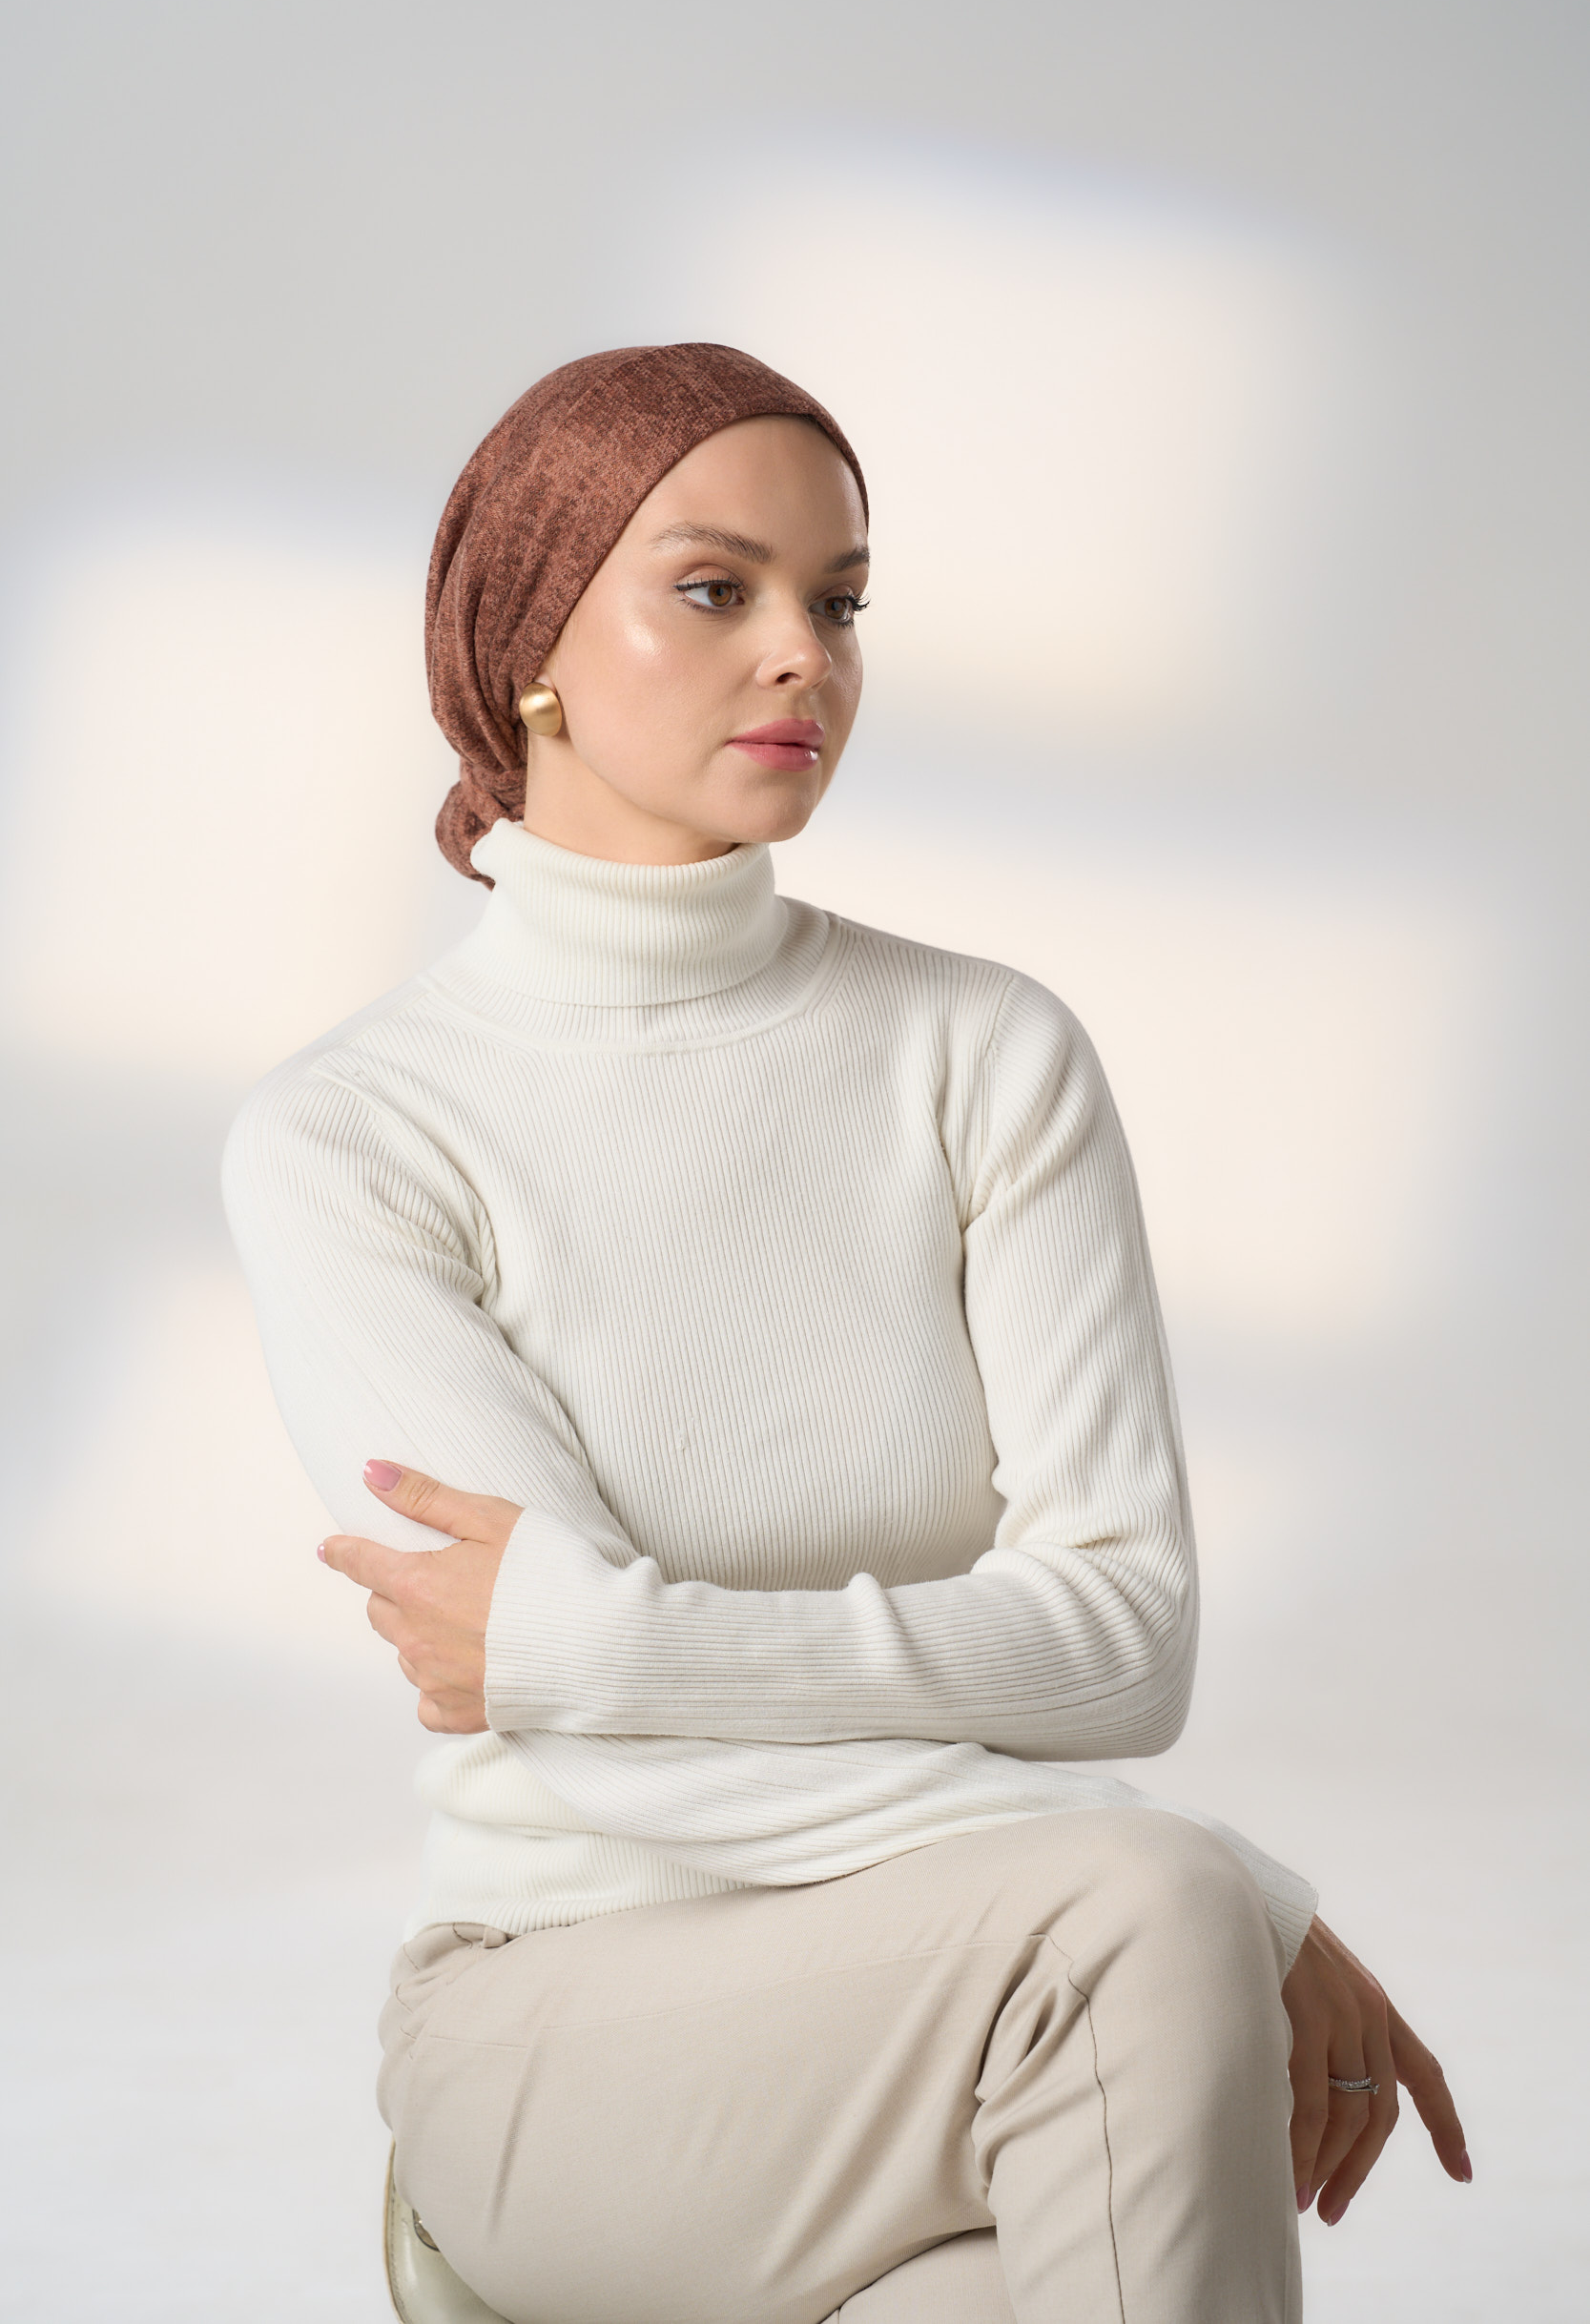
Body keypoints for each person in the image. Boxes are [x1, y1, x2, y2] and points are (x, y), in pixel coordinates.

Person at [223, 343, 1468, 2324]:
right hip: (565, 2029)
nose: (803, 651)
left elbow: (1123, 1641)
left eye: (842, 597)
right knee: (1141, 1909)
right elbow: (587, 1736)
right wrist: (1231, 1894)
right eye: (716, 589)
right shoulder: (356, 1134)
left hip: (971, 2008)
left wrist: (610, 1637)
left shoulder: (983, 1051)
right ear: (531, 644)